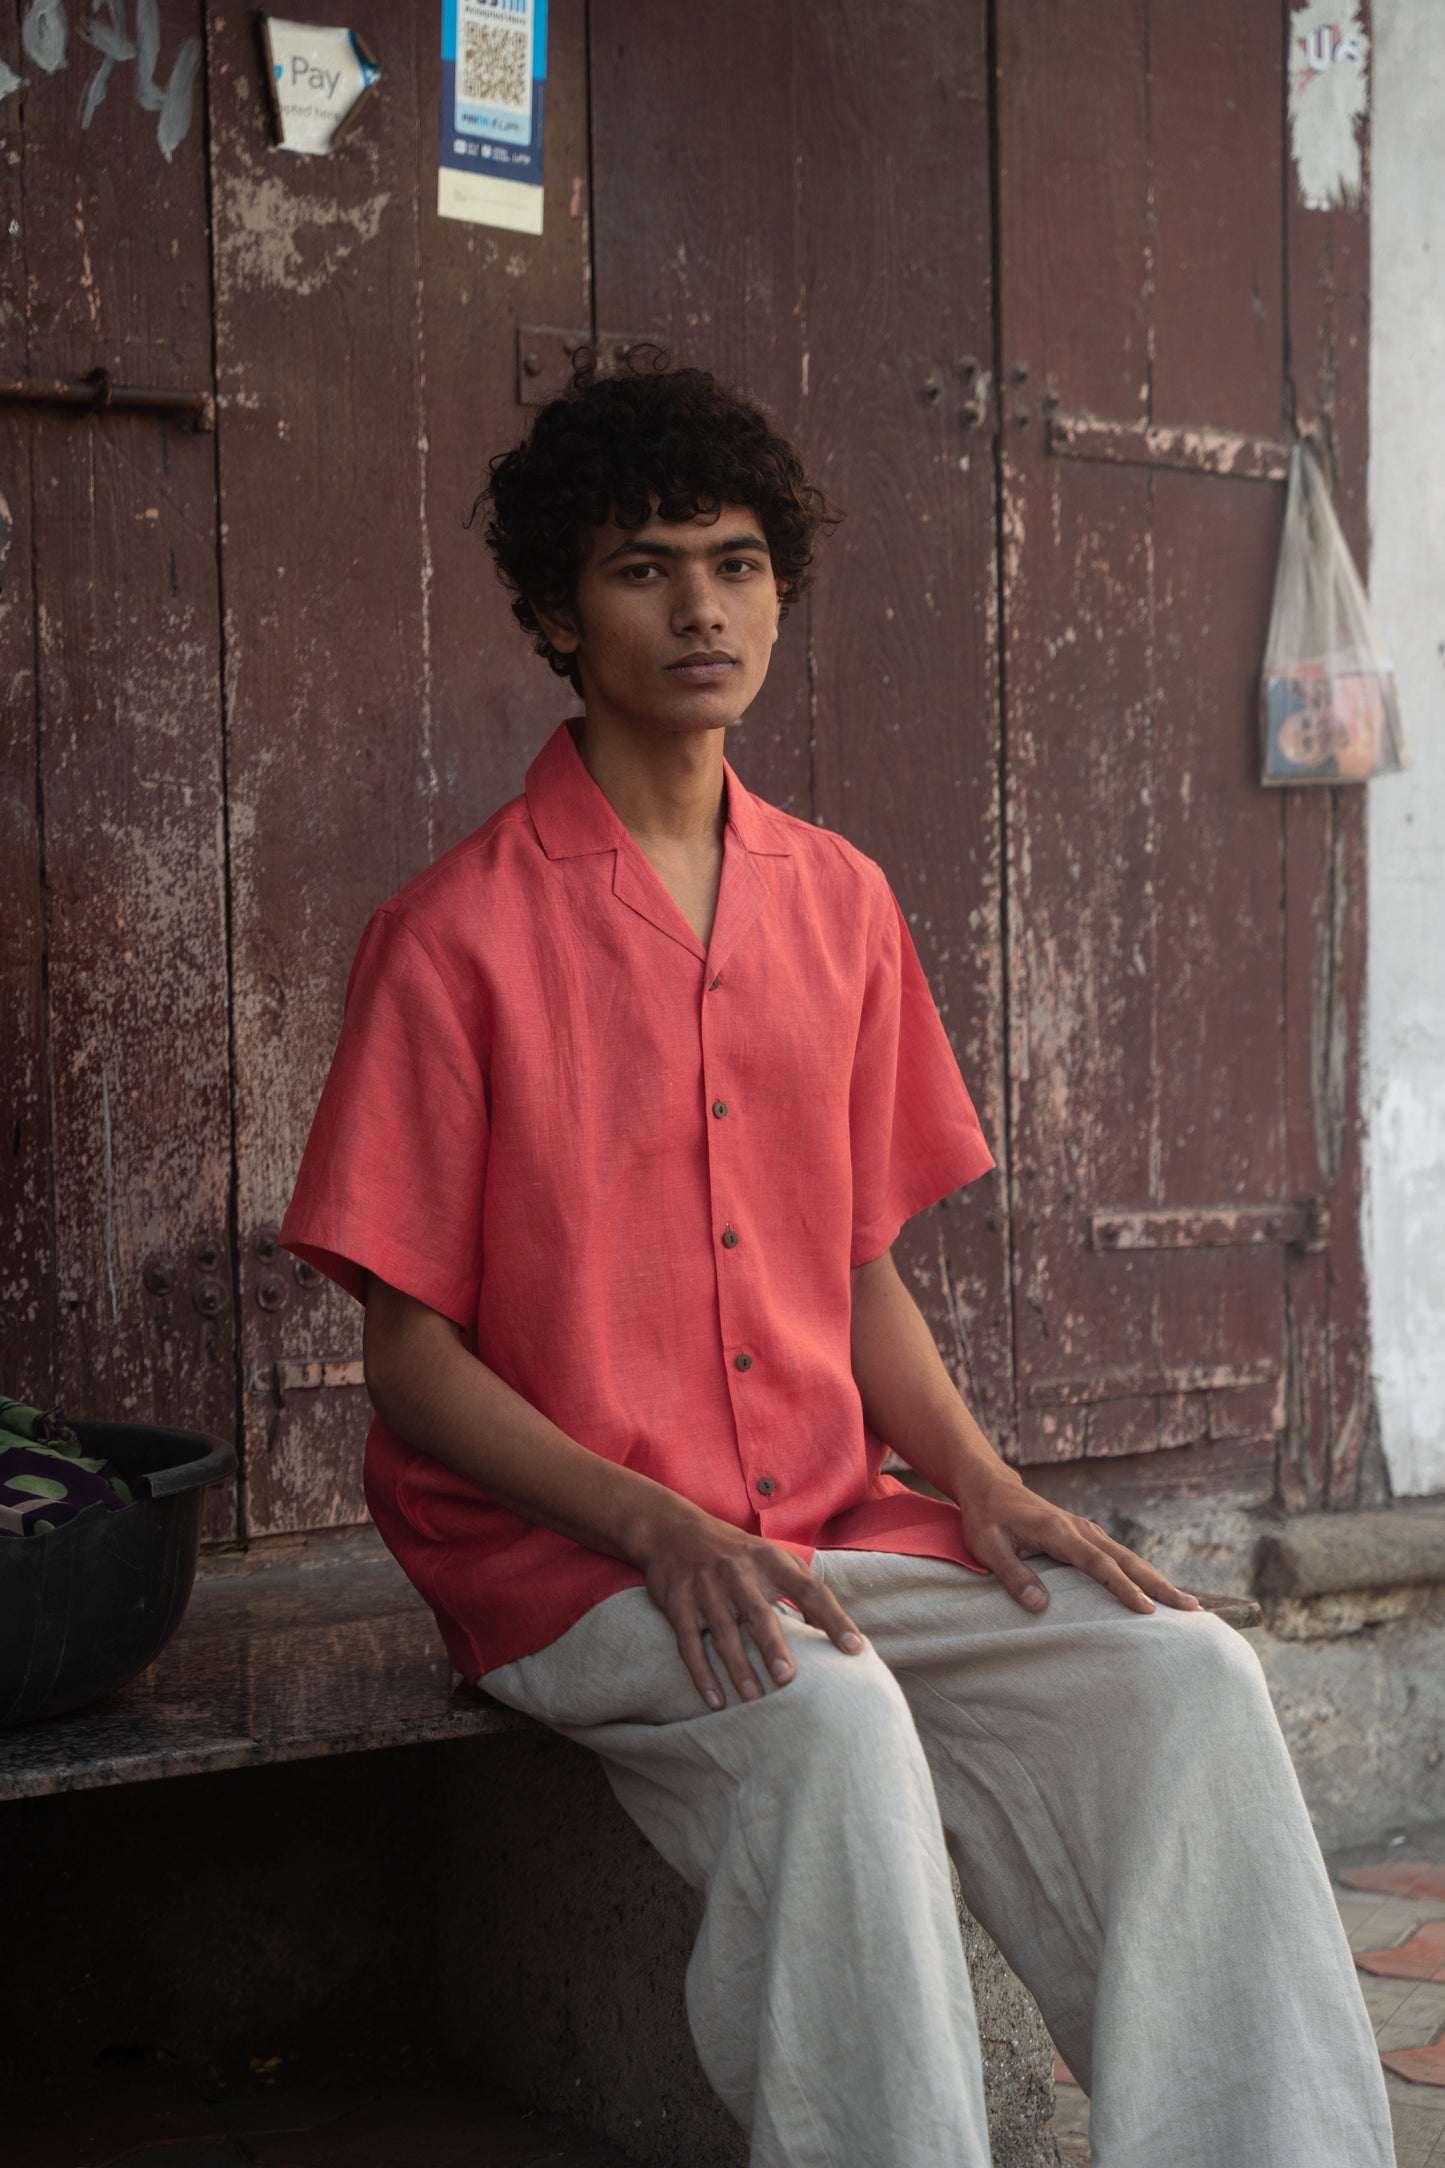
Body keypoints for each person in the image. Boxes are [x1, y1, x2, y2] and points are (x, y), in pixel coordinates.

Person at [281, 353, 1392, 2168]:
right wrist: (649, 1523)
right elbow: (411, 1362)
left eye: (733, 561)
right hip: (573, 1560)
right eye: (643, 566)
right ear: (559, 609)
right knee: (833, 1728)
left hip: (826, 1514)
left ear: (779, 590)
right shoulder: (454, 937)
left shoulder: (841, 902)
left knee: (1184, 1678)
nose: (698, 604)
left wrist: (977, 1478)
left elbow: (852, 1258)